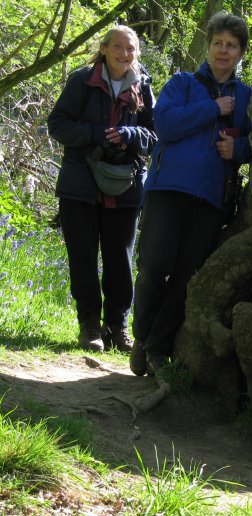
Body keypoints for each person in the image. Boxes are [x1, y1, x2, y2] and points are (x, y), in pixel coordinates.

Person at [131, 12, 252, 376]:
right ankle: (141, 337)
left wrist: (240, 151)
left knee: (187, 277)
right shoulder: (183, 83)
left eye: (231, 45)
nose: (223, 51)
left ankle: (156, 348)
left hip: (212, 201)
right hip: (168, 189)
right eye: (218, 43)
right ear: (209, 45)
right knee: (153, 266)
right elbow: (164, 125)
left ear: (240, 53)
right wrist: (212, 108)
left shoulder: (246, 96)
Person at [48, 26, 156, 353]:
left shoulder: (145, 87)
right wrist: (97, 134)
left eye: (132, 49)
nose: (125, 54)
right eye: (119, 47)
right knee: (82, 258)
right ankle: (90, 325)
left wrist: (129, 135)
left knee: (120, 261)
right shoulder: (82, 81)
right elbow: (58, 125)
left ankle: (118, 328)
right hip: (79, 184)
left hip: (125, 187)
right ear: (104, 48)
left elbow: (155, 137)